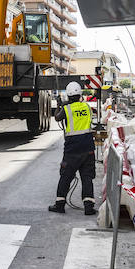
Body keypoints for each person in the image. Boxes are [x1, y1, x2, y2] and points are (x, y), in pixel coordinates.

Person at [49, 81, 96, 215]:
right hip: (88, 147)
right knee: (87, 177)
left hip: (72, 149)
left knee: (66, 177)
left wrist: (59, 105)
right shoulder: (87, 107)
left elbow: (57, 118)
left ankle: (59, 205)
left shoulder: (66, 109)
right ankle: (88, 207)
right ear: (80, 94)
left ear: (68, 96)